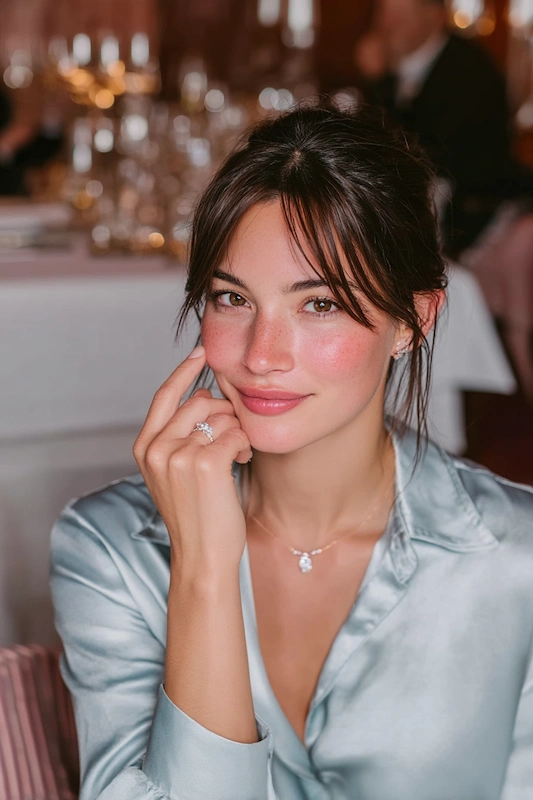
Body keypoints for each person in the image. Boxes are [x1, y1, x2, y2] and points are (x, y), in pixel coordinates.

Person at [50, 101, 533, 800]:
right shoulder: (109, 547)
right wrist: (204, 572)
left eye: (319, 304)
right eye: (230, 298)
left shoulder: (517, 558)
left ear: (412, 321)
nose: (260, 356)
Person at [355, 0, 533, 396]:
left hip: (478, 212)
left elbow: (425, 156)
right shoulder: (392, 65)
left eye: (400, 15)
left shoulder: (468, 69)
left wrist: (381, 82)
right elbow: (368, 147)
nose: (387, 27)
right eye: (383, 15)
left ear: (434, 17)